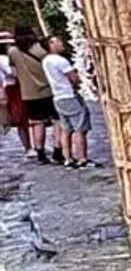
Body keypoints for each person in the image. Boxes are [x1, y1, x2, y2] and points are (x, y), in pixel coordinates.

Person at [44, 34, 94, 168]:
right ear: (51, 44)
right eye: (57, 41)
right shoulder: (60, 61)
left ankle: (68, 158)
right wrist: (81, 75)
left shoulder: (46, 60)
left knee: (66, 128)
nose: (61, 43)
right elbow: (73, 78)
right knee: (80, 127)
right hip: (69, 95)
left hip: (58, 97)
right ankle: (82, 158)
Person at [9, 28, 56, 163]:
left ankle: (39, 152)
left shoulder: (13, 52)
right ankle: (58, 150)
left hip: (28, 93)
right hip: (47, 90)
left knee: (36, 123)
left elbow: (13, 72)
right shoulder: (40, 49)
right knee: (56, 121)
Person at [0, 43, 26, 155]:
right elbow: (11, 73)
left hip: (8, 87)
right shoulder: (4, 59)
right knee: (21, 118)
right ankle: (28, 145)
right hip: (13, 87)